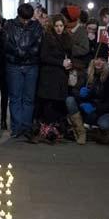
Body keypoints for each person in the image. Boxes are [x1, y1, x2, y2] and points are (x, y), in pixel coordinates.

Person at [2, 3, 43, 141]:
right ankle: (16, 127)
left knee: (29, 98)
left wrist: (22, 52)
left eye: (28, 19)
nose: (25, 22)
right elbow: (6, 43)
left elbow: (38, 45)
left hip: (31, 65)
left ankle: (26, 127)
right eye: (23, 19)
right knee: (15, 97)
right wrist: (20, 52)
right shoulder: (9, 25)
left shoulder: (36, 26)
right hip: (14, 64)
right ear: (18, 16)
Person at [66, 45, 109, 145]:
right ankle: (81, 132)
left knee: (104, 124)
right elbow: (75, 92)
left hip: (102, 112)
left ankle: (101, 133)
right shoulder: (86, 74)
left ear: (106, 62)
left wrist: (95, 108)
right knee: (69, 100)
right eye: (96, 59)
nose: (98, 62)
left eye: (102, 60)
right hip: (86, 111)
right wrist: (80, 97)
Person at [37, 14, 73, 143]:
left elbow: (70, 54)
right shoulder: (47, 37)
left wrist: (70, 63)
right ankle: (47, 129)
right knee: (48, 103)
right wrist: (60, 63)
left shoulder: (67, 37)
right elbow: (44, 57)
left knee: (58, 103)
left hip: (62, 75)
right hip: (49, 75)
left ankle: (56, 130)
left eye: (61, 26)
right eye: (57, 26)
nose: (59, 28)